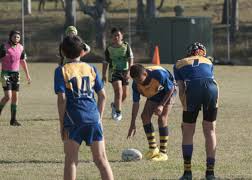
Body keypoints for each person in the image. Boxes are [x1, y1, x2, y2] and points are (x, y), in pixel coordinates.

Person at [54, 35, 113, 180]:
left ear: (62, 52)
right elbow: (103, 96)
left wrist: (62, 124)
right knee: (101, 160)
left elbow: (62, 98)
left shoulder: (61, 70)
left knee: (71, 161)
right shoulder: (91, 68)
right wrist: (98, 118)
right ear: (82, 52)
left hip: (73, 119)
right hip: (93, 118)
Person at [174, 42, 219, 180]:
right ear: (202, 53)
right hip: (212, 89)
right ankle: (210, 173)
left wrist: (185, 108)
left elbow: (181, 89)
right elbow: (209, 80)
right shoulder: (208, 61)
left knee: (188, 131)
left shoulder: (179, 63)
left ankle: (188, 173)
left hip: (192, 89)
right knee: (210, 131)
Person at [127, 64, 175, 161]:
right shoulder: (136, 85)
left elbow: (170, 89)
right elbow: (136, 103)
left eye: (139, 80)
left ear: (145, 73)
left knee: (162, 118)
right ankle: (153, 149)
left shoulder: (159, 74)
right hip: (155, 92)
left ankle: (163, 153)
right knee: (145, 116)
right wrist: (132, 124)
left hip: (169, 91)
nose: (138, 82)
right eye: (135, 80)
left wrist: (161, 105)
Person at [0, 30, 31, 126]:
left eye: (18, 37)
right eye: (14, 37)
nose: (16, 39)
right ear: (10, 37)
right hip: (5, 74)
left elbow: (23, 61)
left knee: (15, 97)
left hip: (16, 75)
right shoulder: (4, 47)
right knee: (7, 96)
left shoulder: (21, 48)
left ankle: (13, 120)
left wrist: (28, 75)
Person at [102, 27, 134, 121]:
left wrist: (129, 71)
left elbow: (130, 59)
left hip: (125, 72)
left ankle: (114, 106)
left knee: (124, 95)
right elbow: (105, 62)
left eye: (118, 35)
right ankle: (118, 113)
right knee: (118, 91)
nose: (116, 37)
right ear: (111, 37)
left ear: (122, 36)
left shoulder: (126, 46)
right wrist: (104, 74)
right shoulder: (109, 49)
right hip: (114, 72)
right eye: (114, 35)